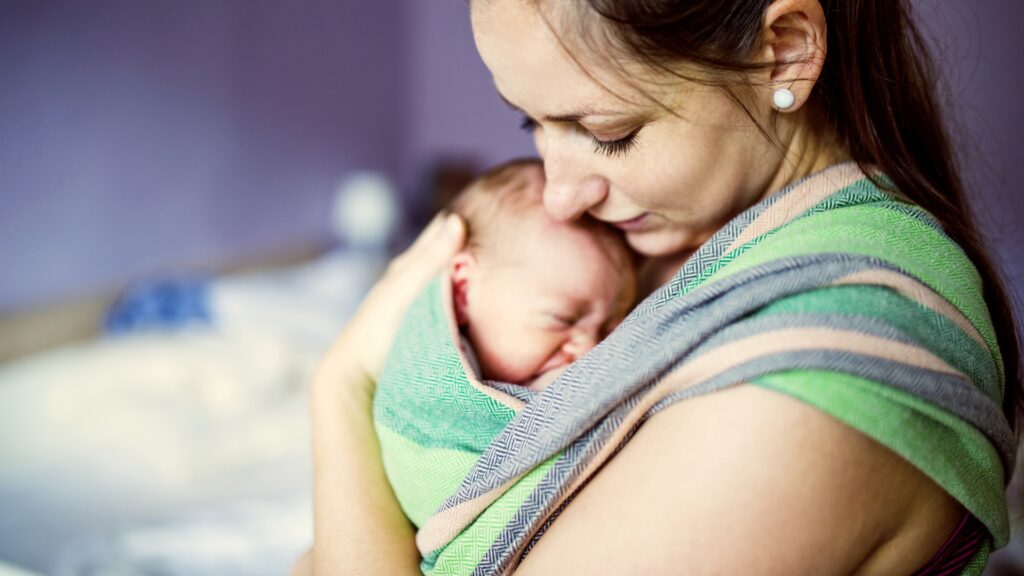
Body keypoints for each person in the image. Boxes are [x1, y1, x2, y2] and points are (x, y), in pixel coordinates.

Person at [304, 0, 1021, 574]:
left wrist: (340, 388)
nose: (559, 195)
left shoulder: (811, 380)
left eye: (607, 131)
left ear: (787, 49)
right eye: (533, 122)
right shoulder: (674, 253)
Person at [373, 158, 636, 530]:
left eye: (609, 328)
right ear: (464, 289)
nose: (591, 349)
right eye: (562, 319)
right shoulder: (427, 381)